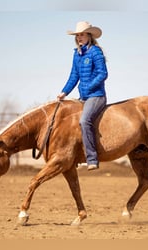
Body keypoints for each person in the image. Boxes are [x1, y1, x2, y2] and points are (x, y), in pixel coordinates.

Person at [57, 21, 108, 171]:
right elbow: (74, 76)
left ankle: (92, 159)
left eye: (82, 34)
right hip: (83, 97)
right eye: (77, 35)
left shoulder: (95, 52)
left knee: (84, 120)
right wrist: (64, 92)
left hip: (96, 96)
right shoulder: (77, 54)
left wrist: (88, 86)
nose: (79, 37)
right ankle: (76, 156)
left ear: (89, 36)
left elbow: (103, 74)